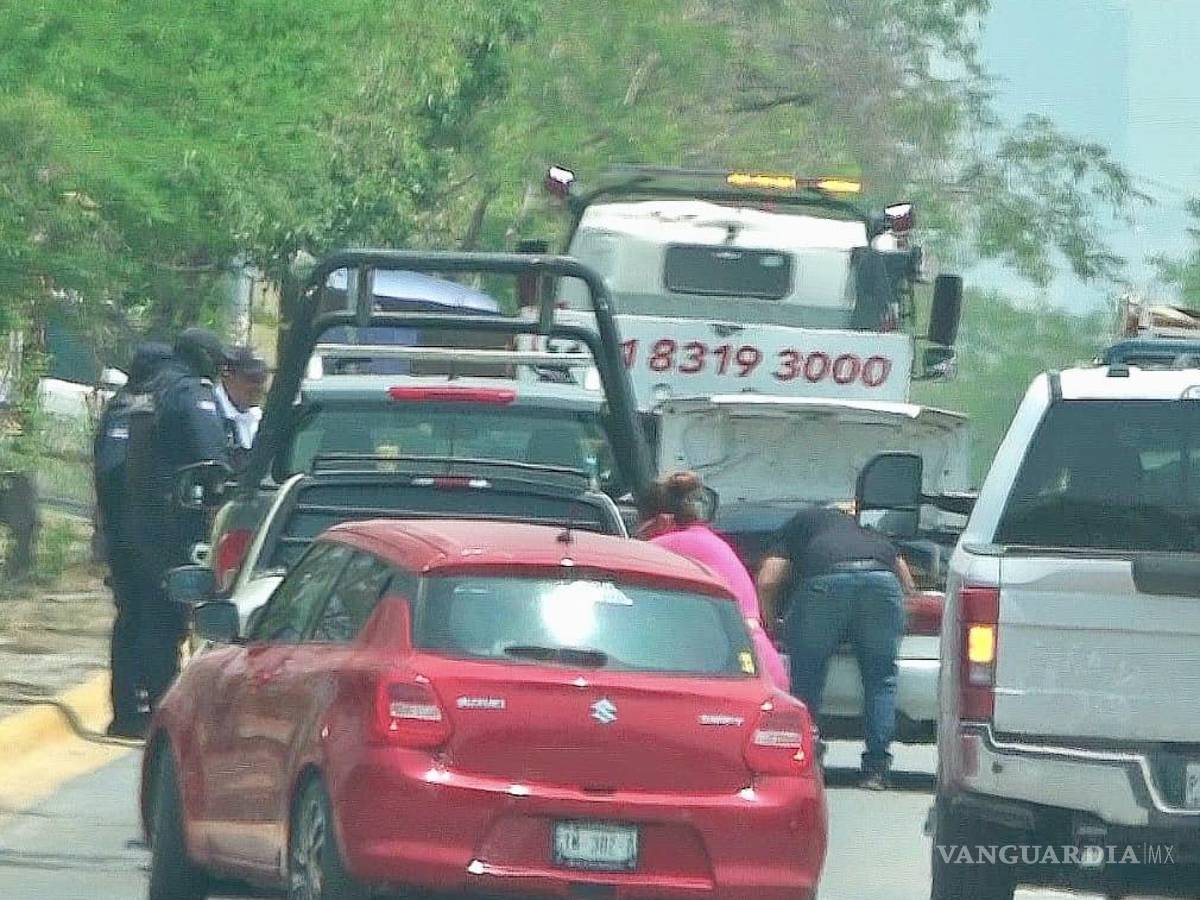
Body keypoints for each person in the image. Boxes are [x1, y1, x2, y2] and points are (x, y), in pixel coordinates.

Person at [756, 504, 916, 789]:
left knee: (808, 672)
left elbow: (768, 581)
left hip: (825, 583)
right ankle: (877, 769)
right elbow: (906, 582)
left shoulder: (801, 523)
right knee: (881, 678)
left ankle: (807, 757)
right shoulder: (870, 534)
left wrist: (769, 624)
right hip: (882, 582)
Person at [123, 327, 232, 717]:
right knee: (172, 614)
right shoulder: (190, 392)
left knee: (149, 610)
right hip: (178, 518)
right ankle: (167, 705)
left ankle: (148, 704)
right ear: (202, 358)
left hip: (143, 515)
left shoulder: (153, 388)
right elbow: (213, 459)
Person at [636, 472, 790, 691]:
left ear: (662, 521)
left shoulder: (669, 544)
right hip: (762, 663)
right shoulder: (710, 541)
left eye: (642, 526)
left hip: (733, 668)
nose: (640, 534)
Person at [93, 342, 175, 736]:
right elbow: (114, 472)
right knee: (140, 618)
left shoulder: (137, 407)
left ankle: (138, 707)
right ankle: (129, 711)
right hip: (131, 534)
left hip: (132, 532)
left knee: (142, 618)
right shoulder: (129, 410)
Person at [215, 345, 268, 470]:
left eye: (262, 379)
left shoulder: (259, 417)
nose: (259, 387)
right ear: (227, 375)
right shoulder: (210, 415)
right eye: (252, 379)